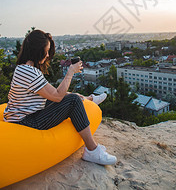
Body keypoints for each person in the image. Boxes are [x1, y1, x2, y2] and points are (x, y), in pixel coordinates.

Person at [3, 29, 117, 166]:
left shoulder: (23, 68)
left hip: (22, 115)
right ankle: (92, 150)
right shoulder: (28, 72)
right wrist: (70, 72)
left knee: (69, 96)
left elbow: (52, 93)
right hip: (25, 122)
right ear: (37, 51)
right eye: (45, 51)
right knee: (73, 101)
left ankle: (89, 99)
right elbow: (57, 96)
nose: (46, 55)